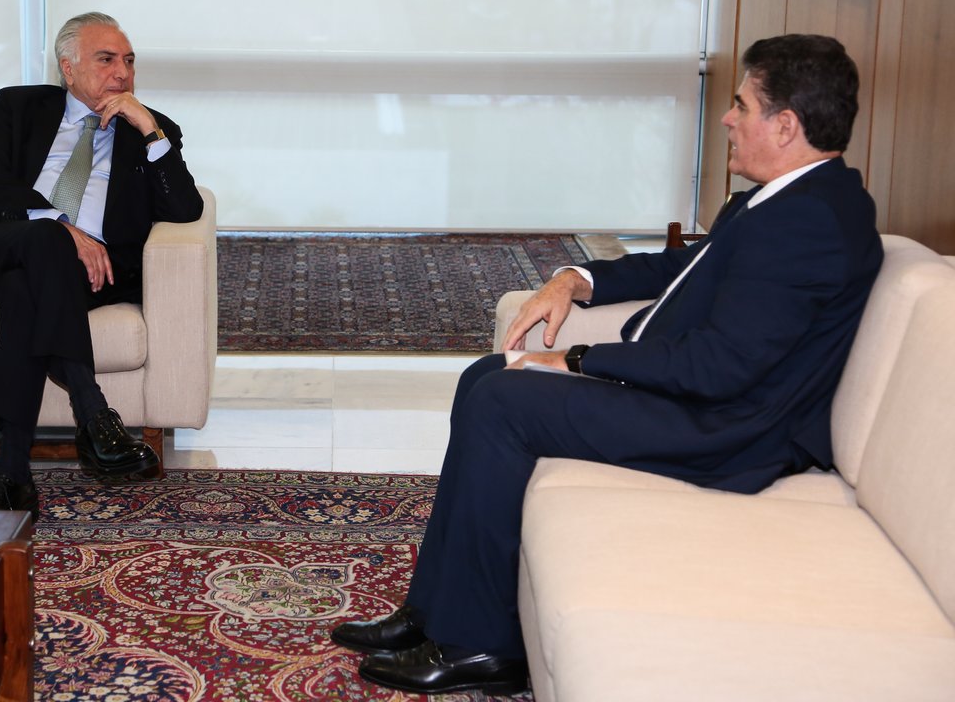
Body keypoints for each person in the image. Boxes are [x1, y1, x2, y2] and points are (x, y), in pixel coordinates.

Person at [330, 34, 884, 696]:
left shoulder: (810, 223)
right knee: (488, 374)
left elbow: (720, 367)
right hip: (698, 401)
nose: (728, 117)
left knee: (504, 400)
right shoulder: (790, 199)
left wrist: (583, 359)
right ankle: (433, 609)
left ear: (786, 125)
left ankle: (482, 646)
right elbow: (686, 268)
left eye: (741, 104)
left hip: (724, 430)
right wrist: (574, 280)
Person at [0, 12, 204, 517]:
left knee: (29, 294)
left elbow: (185, 210)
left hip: (91, 276)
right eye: (106, 59)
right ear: (68, 66)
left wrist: (148, 128)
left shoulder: (152, 130)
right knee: (43, 242)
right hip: (3, 250)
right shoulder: (19, 106)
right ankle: (93, 411)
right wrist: (63, 227)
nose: (122, 73)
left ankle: (12, 472)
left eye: (128, 61)